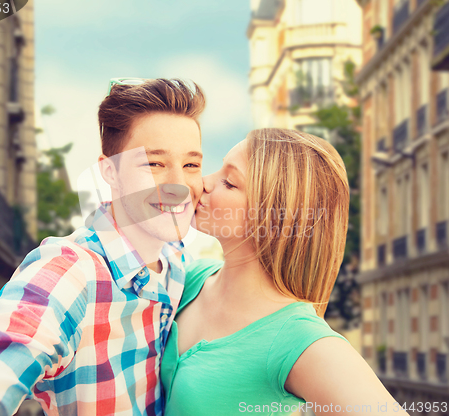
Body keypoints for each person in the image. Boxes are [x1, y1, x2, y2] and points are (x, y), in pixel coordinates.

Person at [0, 78, 205, 416]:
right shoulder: (69, 269)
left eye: (191, 165)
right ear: (109, 172)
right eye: (154, 163)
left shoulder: (175, 264)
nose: (179, 186)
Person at [161, 128, 410, 416]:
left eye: (229, 182)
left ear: (276, 215)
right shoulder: (190, 279)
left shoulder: (299, 339)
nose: (203, 183)